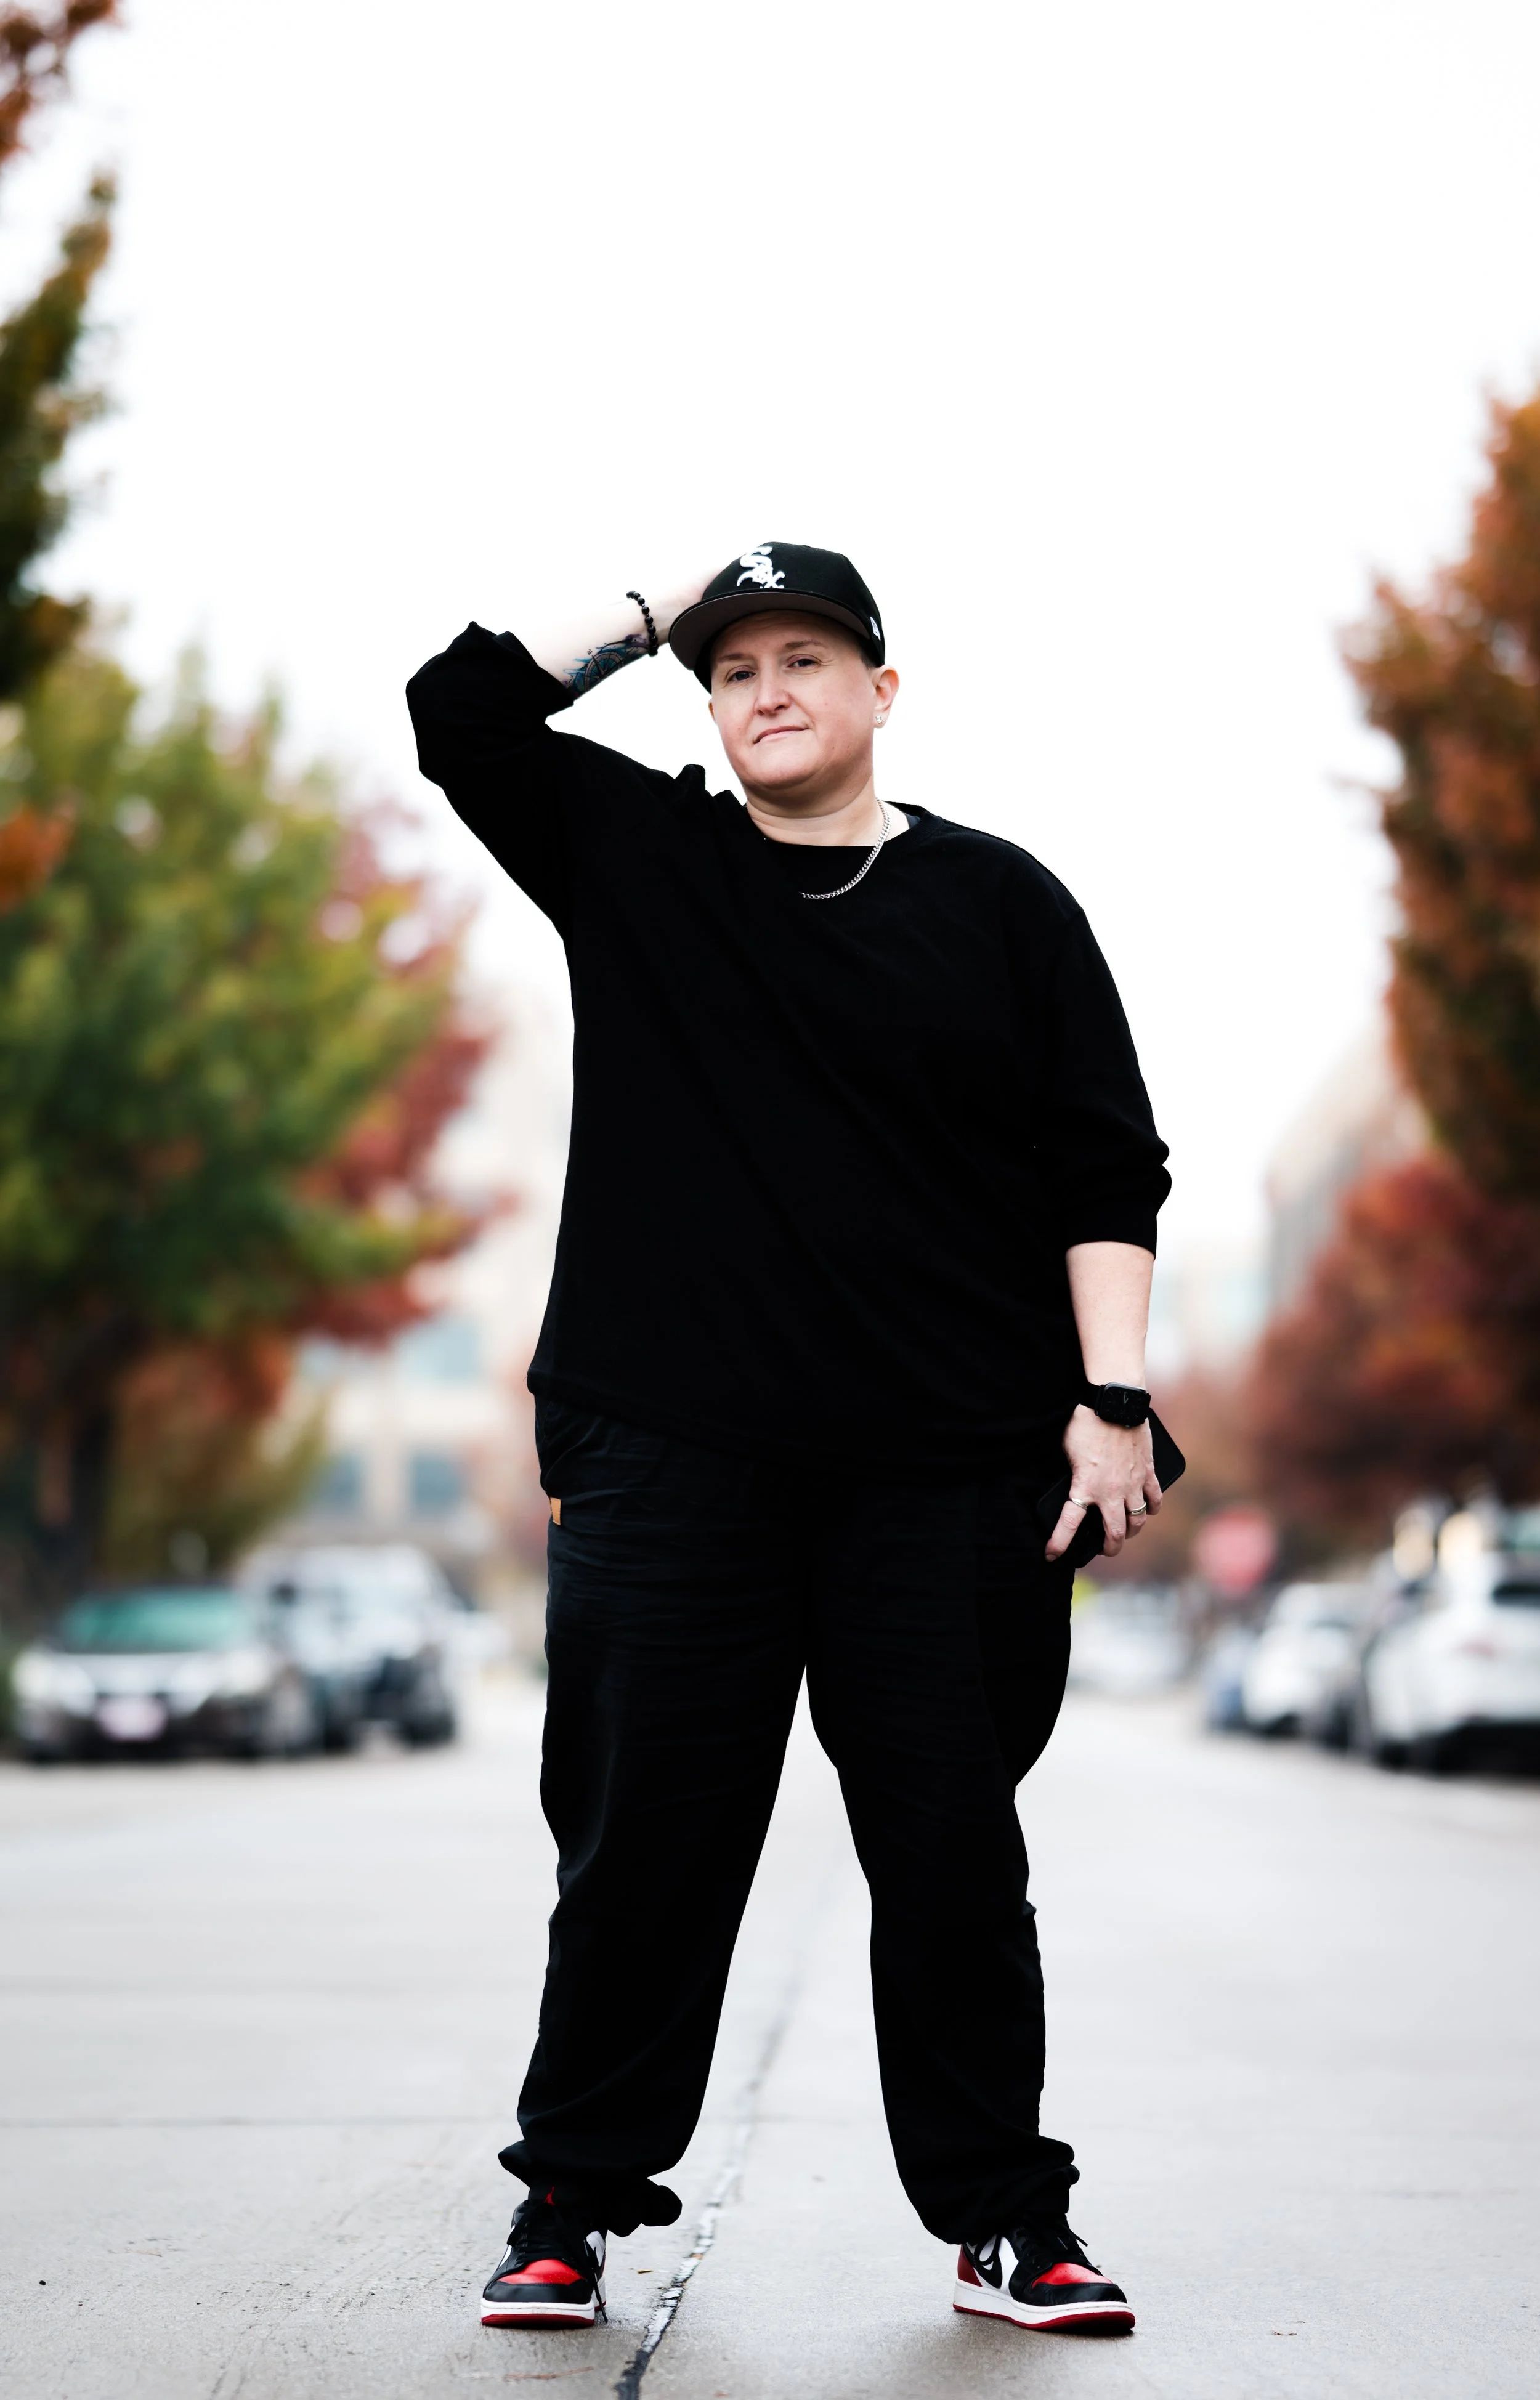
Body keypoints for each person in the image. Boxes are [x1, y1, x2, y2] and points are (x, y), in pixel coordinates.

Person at [406, 543, 1169, 2340]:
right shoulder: (641, 861)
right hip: (674, 1461)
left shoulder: (1002, 905)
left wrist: (1112, 1400)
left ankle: (1005, 2220)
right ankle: (568, 2213)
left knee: (954, 1860)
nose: (764, 691)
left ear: (880, 692)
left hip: (946, 1469)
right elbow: (458, 716)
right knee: (640, 1855)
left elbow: (1101, 1169)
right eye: (734, 667)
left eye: (804, 658)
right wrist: (648, 608)